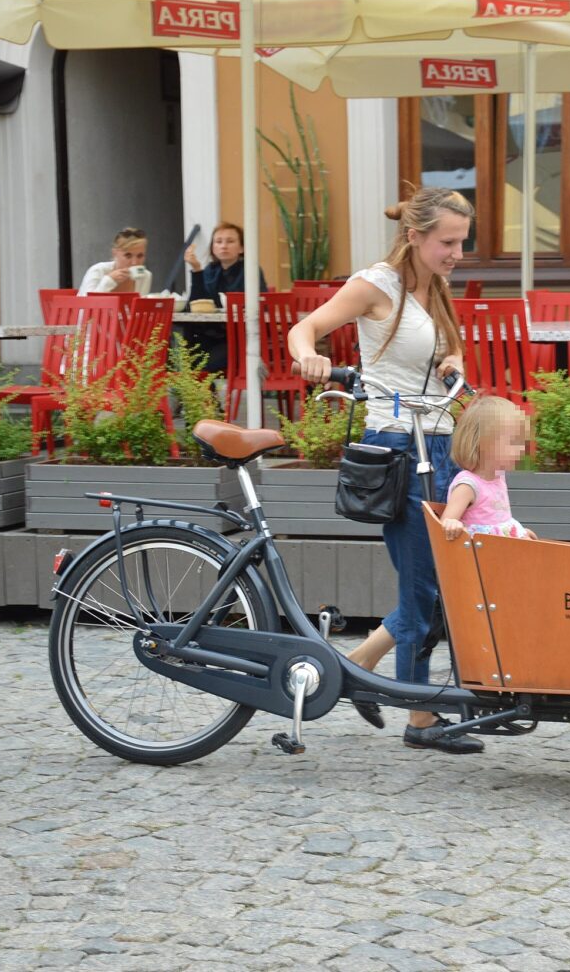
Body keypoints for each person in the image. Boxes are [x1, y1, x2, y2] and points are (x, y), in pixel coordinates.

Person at [288, 187, 480, 753]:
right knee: (424, 586)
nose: (457, 254)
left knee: (440, 582)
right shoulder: (377, 285)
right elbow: (305, 328)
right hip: (398, 447)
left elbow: (448, 352)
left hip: (441, 445)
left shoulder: (435, 284)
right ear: (415, 237)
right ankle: (421, 721)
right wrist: (310, 356)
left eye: (461, 243)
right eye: (448, 242)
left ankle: (357, 669)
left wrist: (454, 361)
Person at [439, 396, 537, 542]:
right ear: (483, 444)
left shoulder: (498, 477)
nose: (521, 449)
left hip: (499, 551)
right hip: (480, 554)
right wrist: (452, 523)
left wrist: (517, 531)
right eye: (513, 442)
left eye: (521, 443)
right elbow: (445, 522)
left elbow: (499, 520)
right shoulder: (468, 485)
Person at [180, 221, 268, 372]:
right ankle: (202, 393)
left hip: (241, 337)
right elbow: (196, 304)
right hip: (212, 334)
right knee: (186, 350)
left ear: (241, 247)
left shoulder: (250, 269)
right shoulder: (209, 270)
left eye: (230, 241)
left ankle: (205, 390)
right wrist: (197, 270)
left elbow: (262, 302)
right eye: (218, 242)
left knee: (203, 363)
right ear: (213, 248)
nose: (223, 246)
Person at [78, 227, 152, 296]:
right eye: (128, 256)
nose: (134, 262)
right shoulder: (98, 270)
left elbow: (140, 308)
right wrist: (109, 280)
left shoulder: (145, 276)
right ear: (114, 253)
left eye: (140, 256)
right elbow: (85, 307)